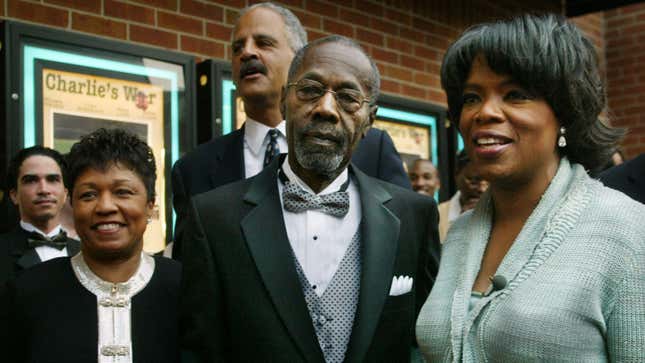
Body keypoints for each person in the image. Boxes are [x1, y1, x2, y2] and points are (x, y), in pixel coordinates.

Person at [180, 35, 441, 362]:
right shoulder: (214, 218)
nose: (325, 109)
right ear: (283, 103)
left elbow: (426, 343)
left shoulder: (414, 216)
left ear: (368, 121)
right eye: (310, 90)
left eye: (347, 97)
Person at [416, 14, 645, 361]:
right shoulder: (460, 232)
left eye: (515, 94)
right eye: (471, 98)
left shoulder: (627, 231)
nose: (485, 112)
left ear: (565, 111)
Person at [171, 2, 410, 259]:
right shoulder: (194, 169)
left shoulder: (373, 147)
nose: (247, 53)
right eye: (238, 47)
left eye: (263, 43)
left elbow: (406, 245)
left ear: (300, 58)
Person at [1, 129, 181, 362]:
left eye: (122, 192)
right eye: (88, 195)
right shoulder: (27, 292)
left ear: (150, 205)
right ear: (72, 205)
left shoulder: (186, 288)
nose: (105, 206)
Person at [0, 146, 80, 288]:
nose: (44, 189)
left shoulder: (86, 252)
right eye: (31, 180)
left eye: (53, 179)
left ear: (65, 194)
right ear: (14, 195)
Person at [437, 150, 488, 241]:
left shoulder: (508, 218)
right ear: (457, 175)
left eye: (489, 181)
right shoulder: (437, 216)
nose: (482, 189)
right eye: (473, 181)